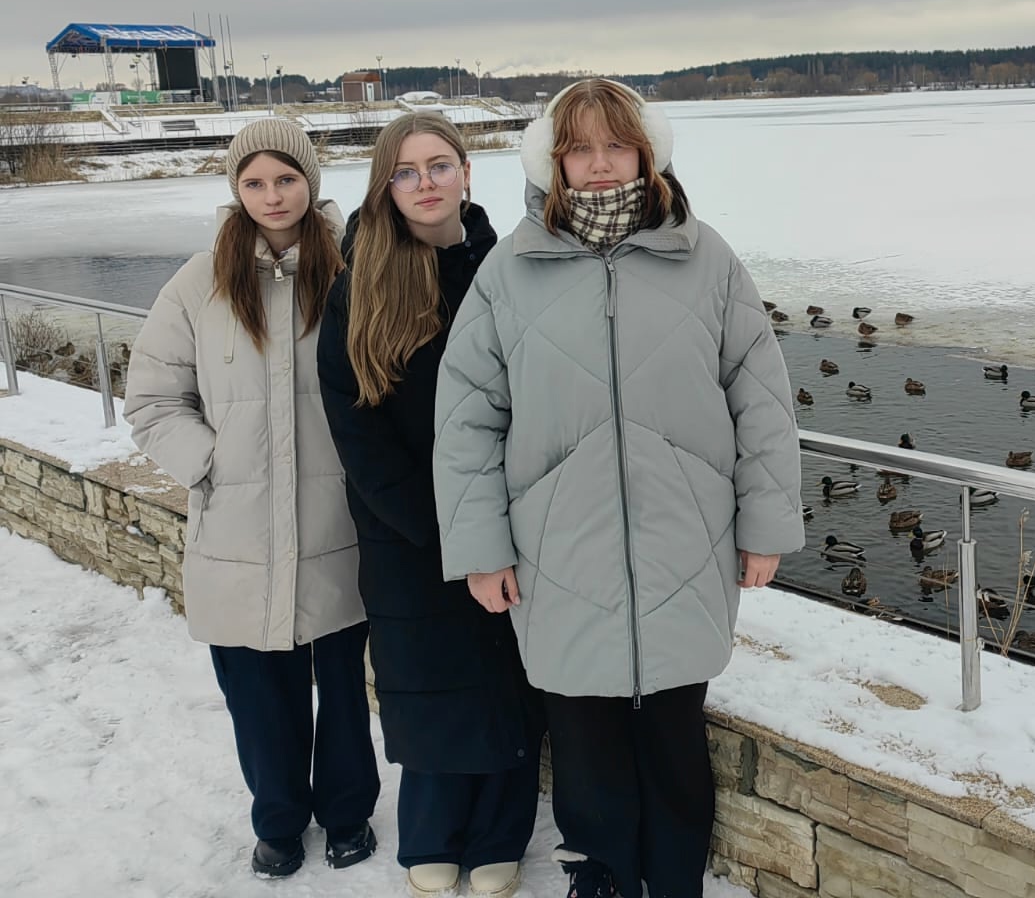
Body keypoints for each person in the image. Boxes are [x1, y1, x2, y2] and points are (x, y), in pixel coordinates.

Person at [432, 79, 805, 898]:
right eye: (579, 149)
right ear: (553, 162)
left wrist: (765, 525)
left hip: (686, 541)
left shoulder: (706, 259)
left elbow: (762, 401)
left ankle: (673, 878)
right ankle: (598, 871)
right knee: (582, 732)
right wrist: (482, 549)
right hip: (558, 550)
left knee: (674, 732)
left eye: (616, 145)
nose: (600, 164)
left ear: (646, 154)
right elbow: (466, 422)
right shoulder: (509, 271)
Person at [123, 118, 379, 880]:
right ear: (237, 189)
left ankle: (348, 812)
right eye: (255, 182)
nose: (273, 196)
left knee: (343, 686)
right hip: (236, 532)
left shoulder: (352, 270)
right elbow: (152, 400)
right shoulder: (197, 283)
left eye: (287, 179)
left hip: (337, 522)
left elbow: (387, 383)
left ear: (310, 182)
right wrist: (210, 465)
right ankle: (278, 820)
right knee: (260, 696)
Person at [317, 113, 545, 898]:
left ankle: (500, 834)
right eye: (406, 172)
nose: (425, 183)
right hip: (410, 530)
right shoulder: (360, 284)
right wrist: (442, 525)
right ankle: (431, 833)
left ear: (466, 173)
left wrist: (505, 518)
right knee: (429, 686)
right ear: (386, 186)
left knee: (508, 681)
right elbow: (355, 424)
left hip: (510, 519)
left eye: (439, 165)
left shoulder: (505, 267)